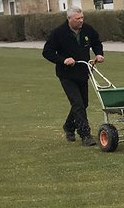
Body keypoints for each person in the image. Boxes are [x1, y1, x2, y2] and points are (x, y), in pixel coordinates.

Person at [42, 8, 105, 146]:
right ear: (69, 19)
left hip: (83, 72)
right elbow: (47, 52)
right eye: (78, 18)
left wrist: (99, 54)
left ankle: (69, 126)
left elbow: (96, 43)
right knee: (77, 104)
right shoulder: (58, 33)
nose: (81, 20)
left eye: (82, 17)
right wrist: (63, 60)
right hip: (66, 74)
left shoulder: (88, 30)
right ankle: (85, 134)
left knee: (84, 103)